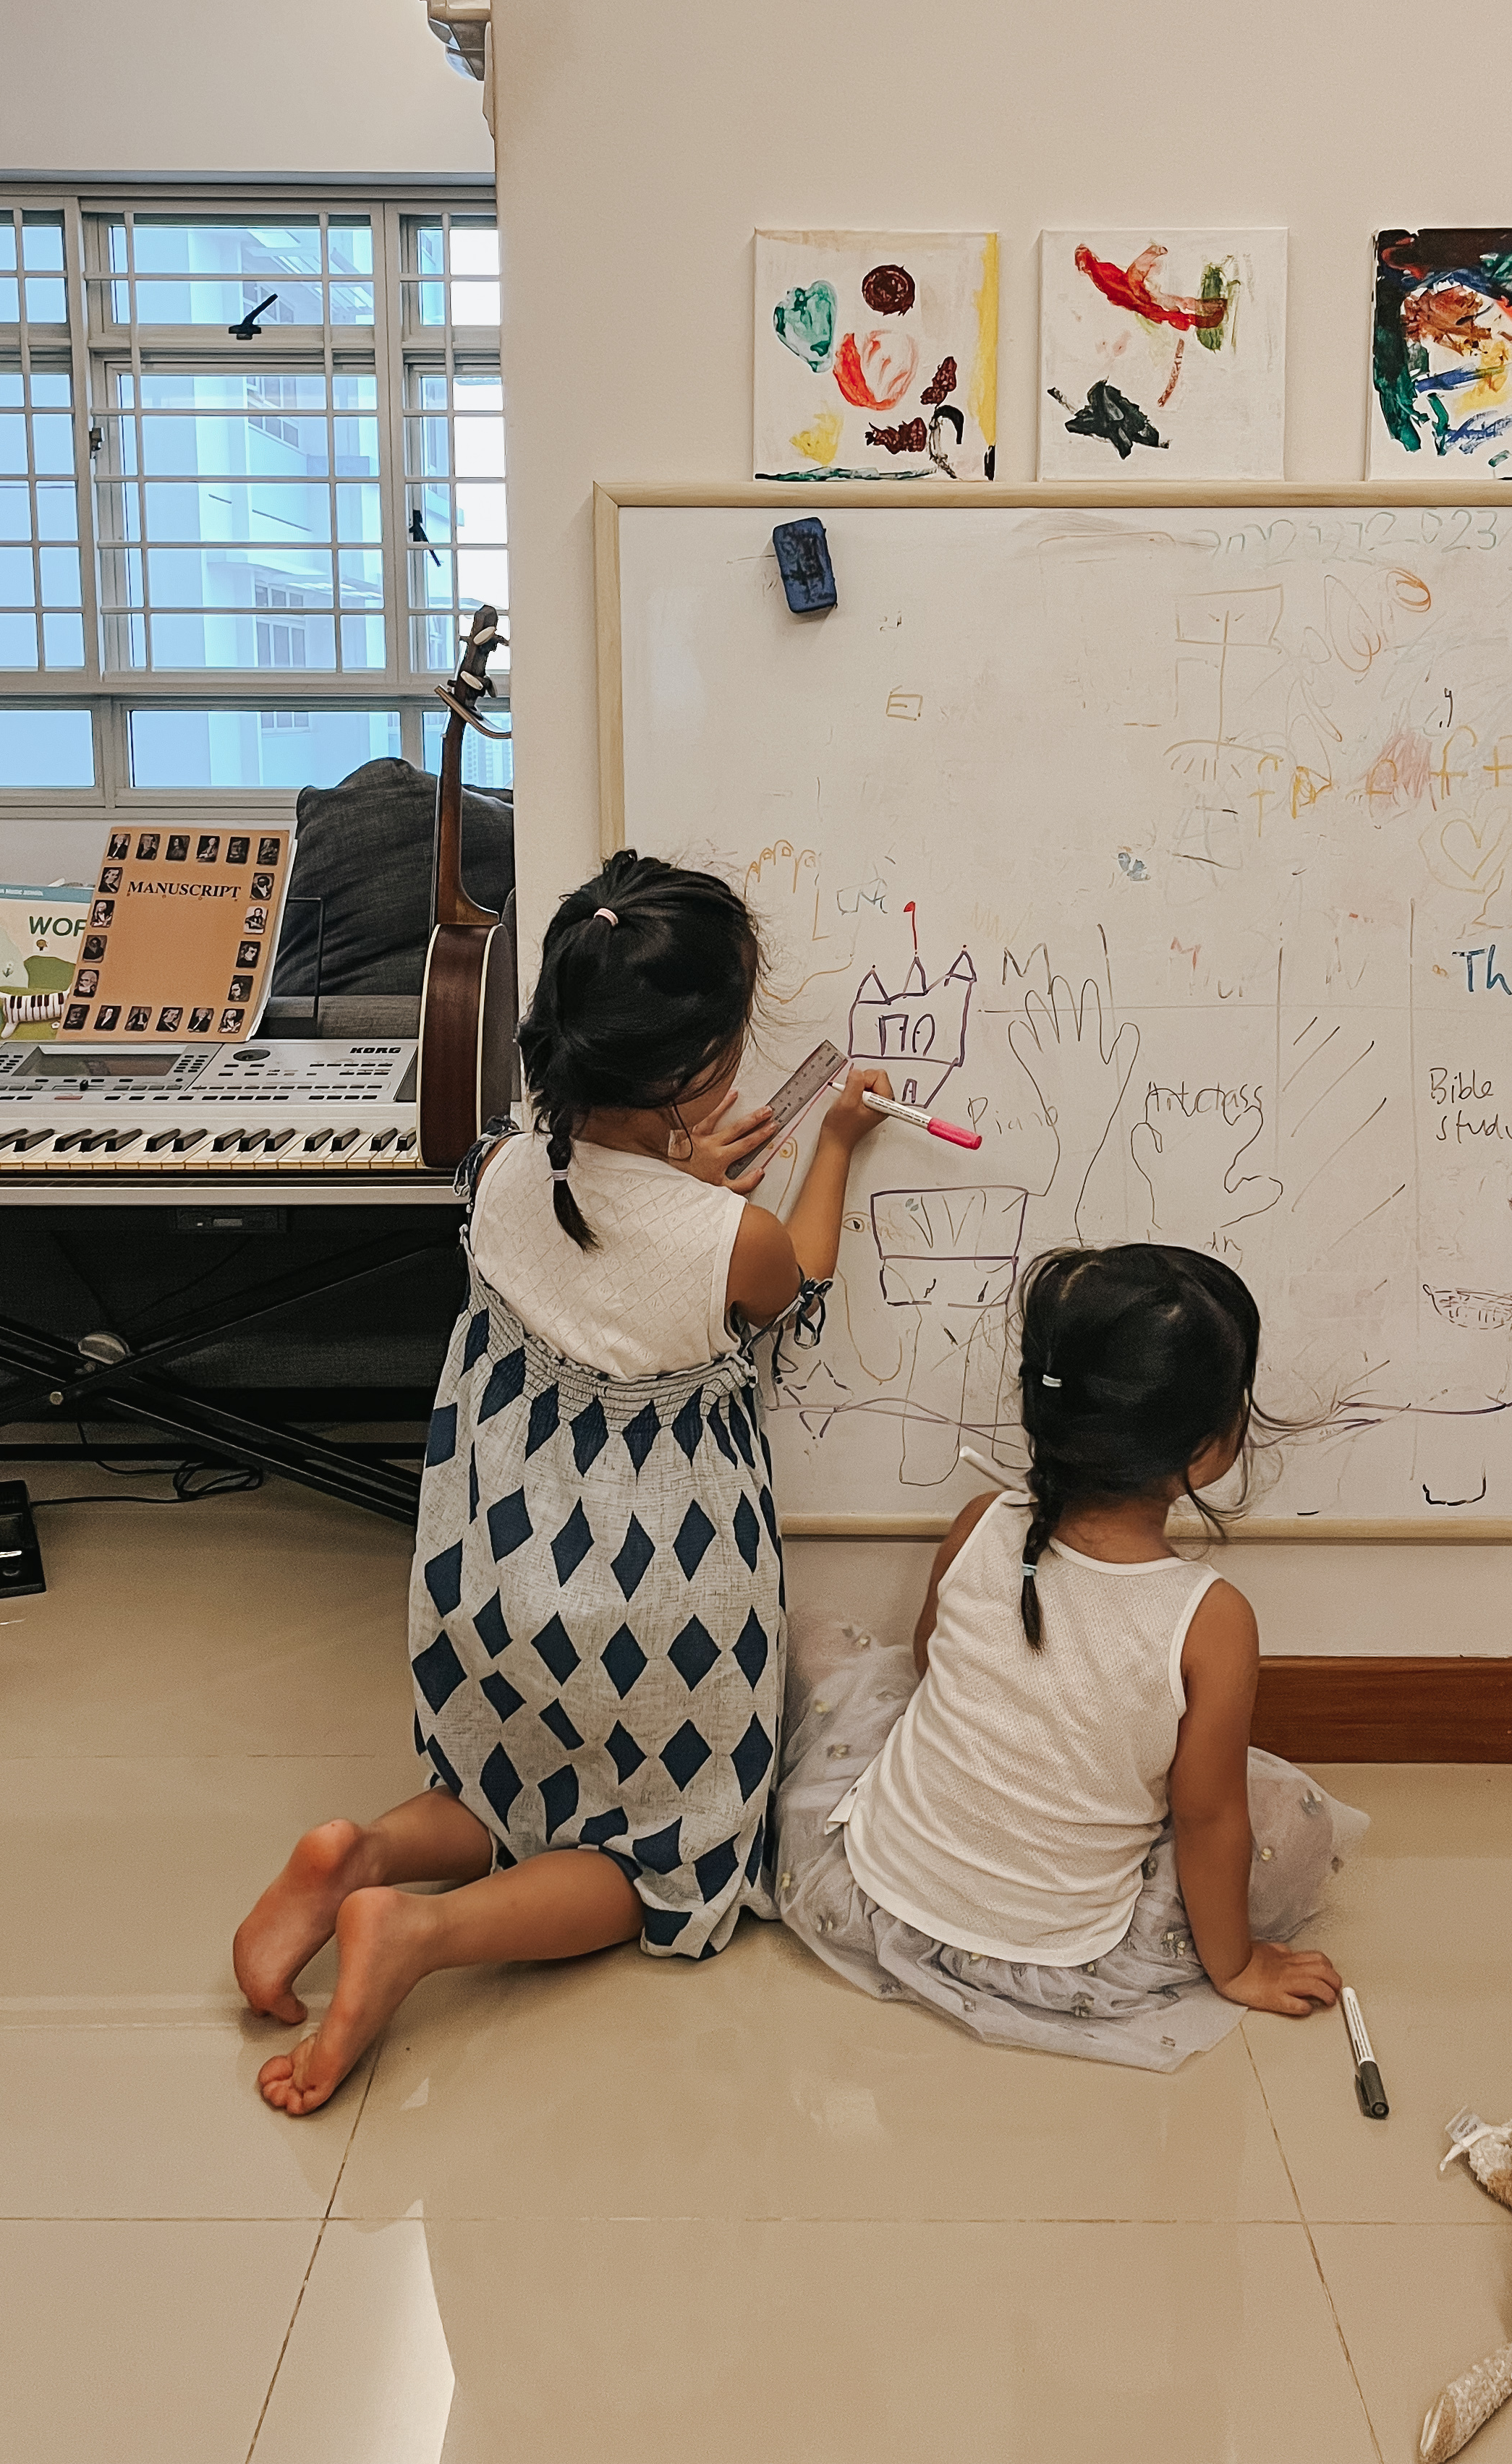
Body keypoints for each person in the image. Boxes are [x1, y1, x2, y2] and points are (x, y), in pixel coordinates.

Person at [235, 849, 891, 2113]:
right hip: (658, 1614)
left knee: (504, 1775)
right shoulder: (726, 1242)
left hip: (495, 1577)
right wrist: (839, 1145)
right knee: (658, 1848)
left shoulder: (494, 1172)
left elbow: (604, 1238)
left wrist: (676, 1178)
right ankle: (419, 1934)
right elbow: (791, 1273)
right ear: (700, 1066)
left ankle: (359, 1849)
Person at [776, 1242, 1366, 2071]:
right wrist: (1233, 1966)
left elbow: (925, 1657)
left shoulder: (981, 1519)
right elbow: (1204, 1819)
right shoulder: (1214, 1620)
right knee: (1283, 1817)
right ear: (1209, 1449)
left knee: (827, 1648)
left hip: (872, 1896)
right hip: (1066, 1958)